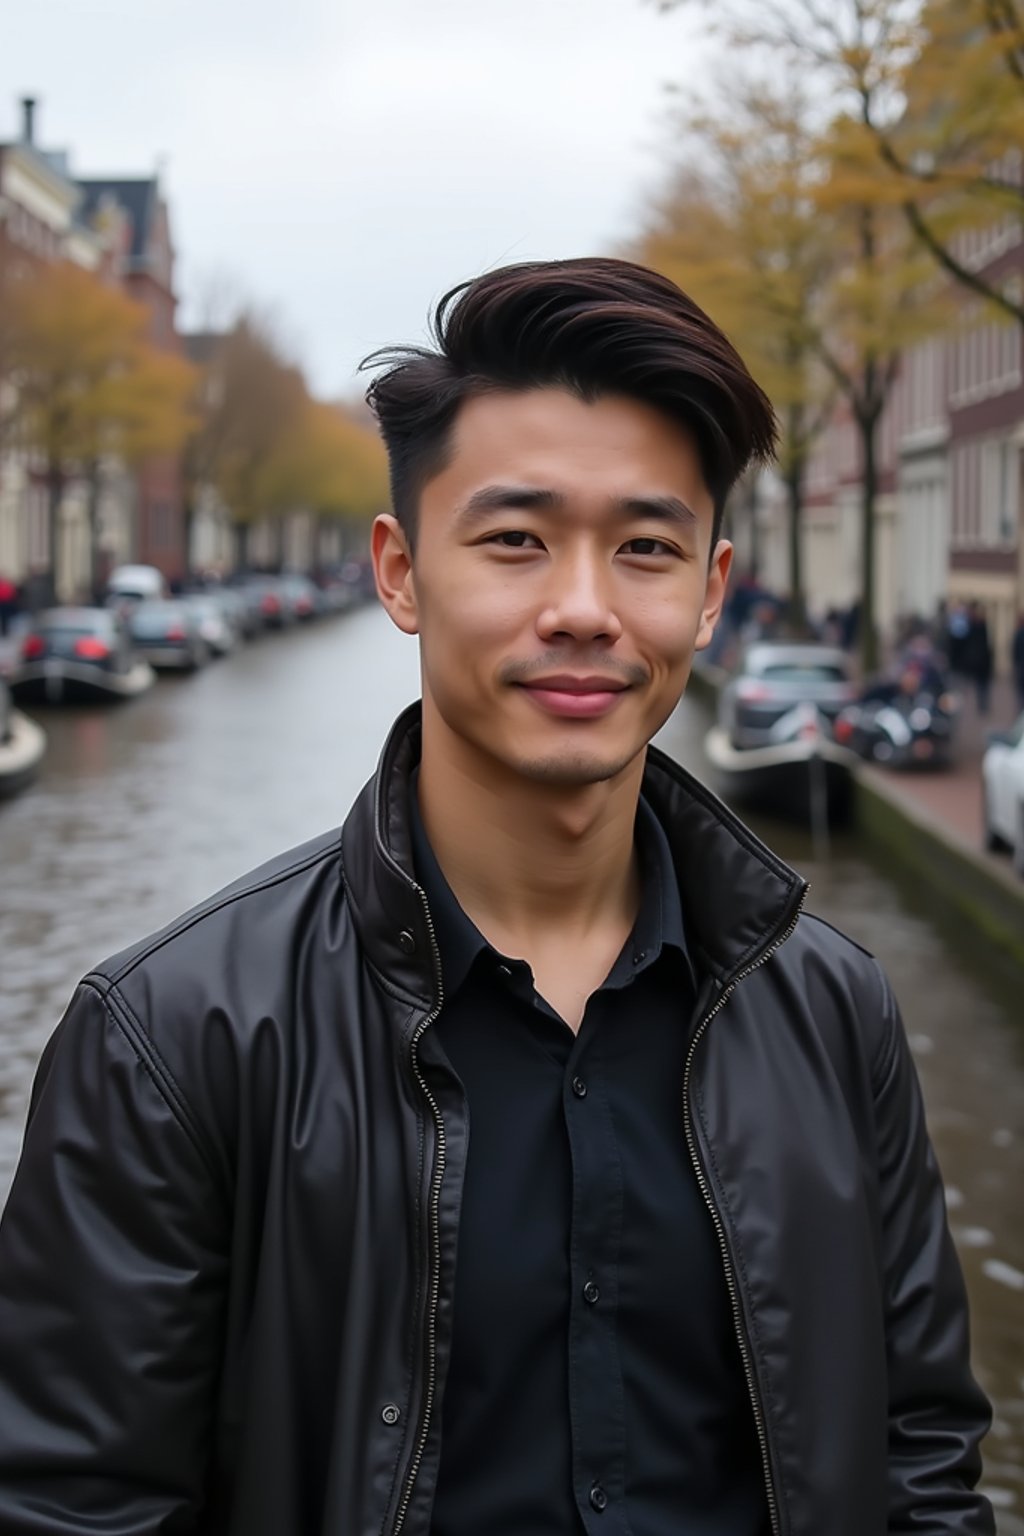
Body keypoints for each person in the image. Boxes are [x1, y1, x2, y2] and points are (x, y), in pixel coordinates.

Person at [0, 259, 994, 1535]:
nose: (583, 610)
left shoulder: (837, 1010)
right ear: (400, 573)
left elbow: (919, 1462)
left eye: (645, 548)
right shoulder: (172, 1042)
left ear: (709, 590)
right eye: (516, 541)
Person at [962, 600, 993, 715]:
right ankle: (980, 705)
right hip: (976, 662)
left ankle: (982, 705)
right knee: (977, 687)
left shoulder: (978, 626)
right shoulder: (972, 625)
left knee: (981, 687)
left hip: (980, 663)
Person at [1012, 611, 1024, 715]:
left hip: (1021, 666)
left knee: (1020, 691)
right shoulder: (1018, 634)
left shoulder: (1018, 634)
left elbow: (1014, 652)